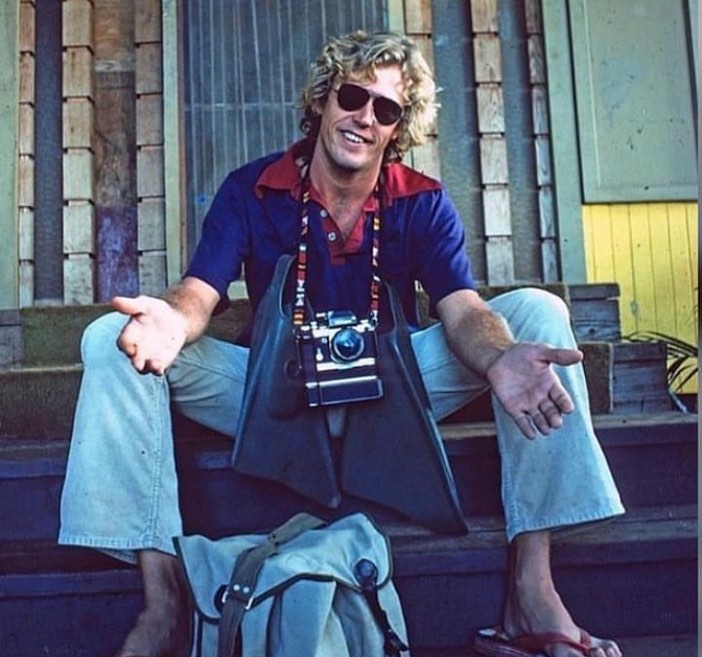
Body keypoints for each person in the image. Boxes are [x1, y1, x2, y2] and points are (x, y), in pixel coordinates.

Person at [59, 30, 624, 657]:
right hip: (273, 392)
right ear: (323, 99)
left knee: (539, 313)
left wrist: (497, 357)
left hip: (394, 390)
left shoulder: (422, 201)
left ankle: (532, 588)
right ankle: (165, 603)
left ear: (398, 127)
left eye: (387, 109)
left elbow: (462, 308)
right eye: (353, 97)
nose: (365, 117)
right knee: (111, 337)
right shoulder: (252, 188)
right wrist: (171, 319)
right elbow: (200, 290)